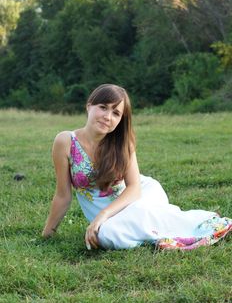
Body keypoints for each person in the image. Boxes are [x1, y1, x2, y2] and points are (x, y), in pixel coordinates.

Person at [42, 84, 232, 250]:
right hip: (113, 217)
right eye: (103, 107)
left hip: (139, 196)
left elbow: (134, 188)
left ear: (120, 120)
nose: (108, 117)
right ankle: (154, 235)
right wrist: (47, 235)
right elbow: (63, 195)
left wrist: (102, 215)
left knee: (129, 220)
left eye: (116, 113)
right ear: (89, 106)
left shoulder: (122, 143)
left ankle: (205, 225)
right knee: (105, 236)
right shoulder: (66, 141)